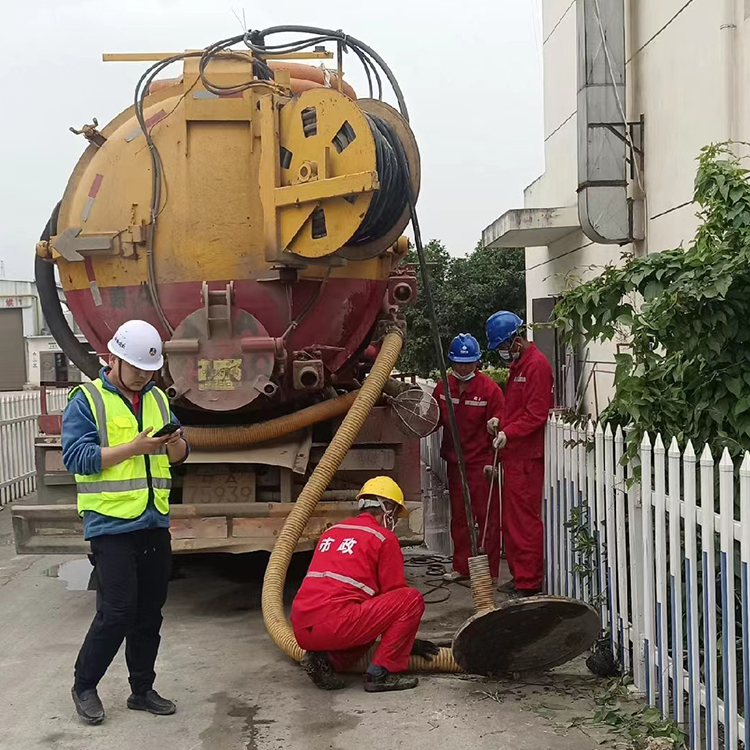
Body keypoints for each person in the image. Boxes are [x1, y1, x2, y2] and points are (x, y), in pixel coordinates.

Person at [62, 319, 189, 725]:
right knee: (117, 612)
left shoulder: (157, 399)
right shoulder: (88, 399)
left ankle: (142, 689)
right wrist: (133, 448)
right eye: (136, 369)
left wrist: (175, 444)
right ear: (112, 359)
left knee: (150, 613)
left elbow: (179, 456)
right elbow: (77, 459)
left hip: (153, 522)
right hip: (111, 526)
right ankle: (85, 684)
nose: (143, 377)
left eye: (150, 371)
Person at [290, 476, 440, 693]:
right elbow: (395, 598)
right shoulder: (383, 538)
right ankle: (381, 673)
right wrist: (401, 643)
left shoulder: (331, 532)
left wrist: (404, 642)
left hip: (302, 627)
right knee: (410, 599)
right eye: (396, 513)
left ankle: (325, 661)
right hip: (335, 627)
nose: (396, 520)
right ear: (387, 509)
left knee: (361, 618)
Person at [485, 311, 554, 598]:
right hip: (513, 454)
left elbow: (536, 414)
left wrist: (508, 433)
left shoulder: (536, 366)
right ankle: (519, 575)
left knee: (524, 522)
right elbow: (515, 407)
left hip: (525, 457)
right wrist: (499, 419)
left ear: (515, 341)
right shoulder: (519, 365)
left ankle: (528, 582)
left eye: (502, 346)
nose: (502, 352)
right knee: (511, 521)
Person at [432, 334, 505, 583]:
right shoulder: (442, 388)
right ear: (451, 362)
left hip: (480, 463)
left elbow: (501, 426)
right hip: (455, 462)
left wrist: (493, 462)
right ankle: (461, 567)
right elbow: (433, 420)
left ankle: (490, 572)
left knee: (487, 519)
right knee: (460, 518)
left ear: (477, 362)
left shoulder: (490, 390)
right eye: (459, 363)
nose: (463, 368)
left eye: (469, 363)